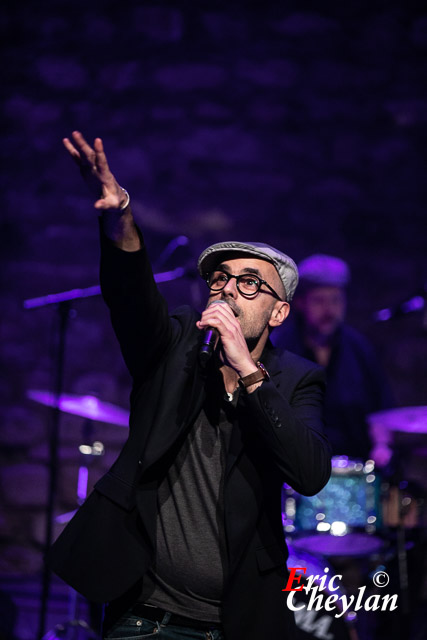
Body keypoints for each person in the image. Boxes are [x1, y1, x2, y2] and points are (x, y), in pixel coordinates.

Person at [49, 131, 331, 640]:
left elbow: (310, 473)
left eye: (250, 282)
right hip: (145, 616)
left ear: (280, 312)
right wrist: (122, 218)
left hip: (238, 622)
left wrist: (249, 373)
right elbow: (131, 296)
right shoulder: (176, 342)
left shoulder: (296, 379)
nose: (228, 289)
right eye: (221, 279)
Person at [271, 253, 393, 462]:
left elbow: (380, 409)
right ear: (300, 303)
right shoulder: (279, 346)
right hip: (296, 467)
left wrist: (382, 446)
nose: (329, 310)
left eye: (336, 300)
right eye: (319, 301)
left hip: (355, 466)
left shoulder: (360, 349)